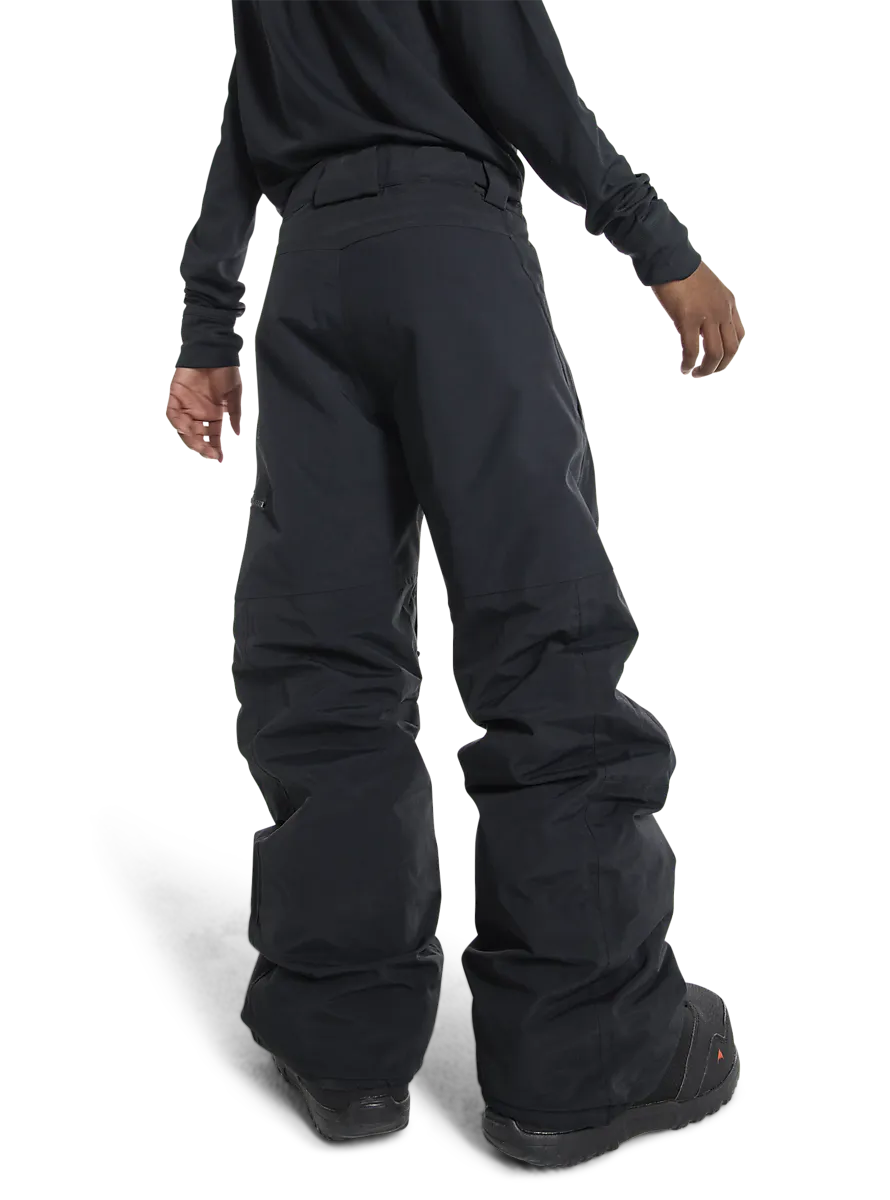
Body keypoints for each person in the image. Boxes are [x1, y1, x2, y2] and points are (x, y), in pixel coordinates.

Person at [168, 1, 742, 1166]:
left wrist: (207, 327)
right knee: (540, 629)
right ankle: (582, 1064)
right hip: (448, 251)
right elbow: (518, 73)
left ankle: (346, 1050)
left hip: (310, 277)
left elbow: (243, 117)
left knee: (319, 654)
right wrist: (657, 242)